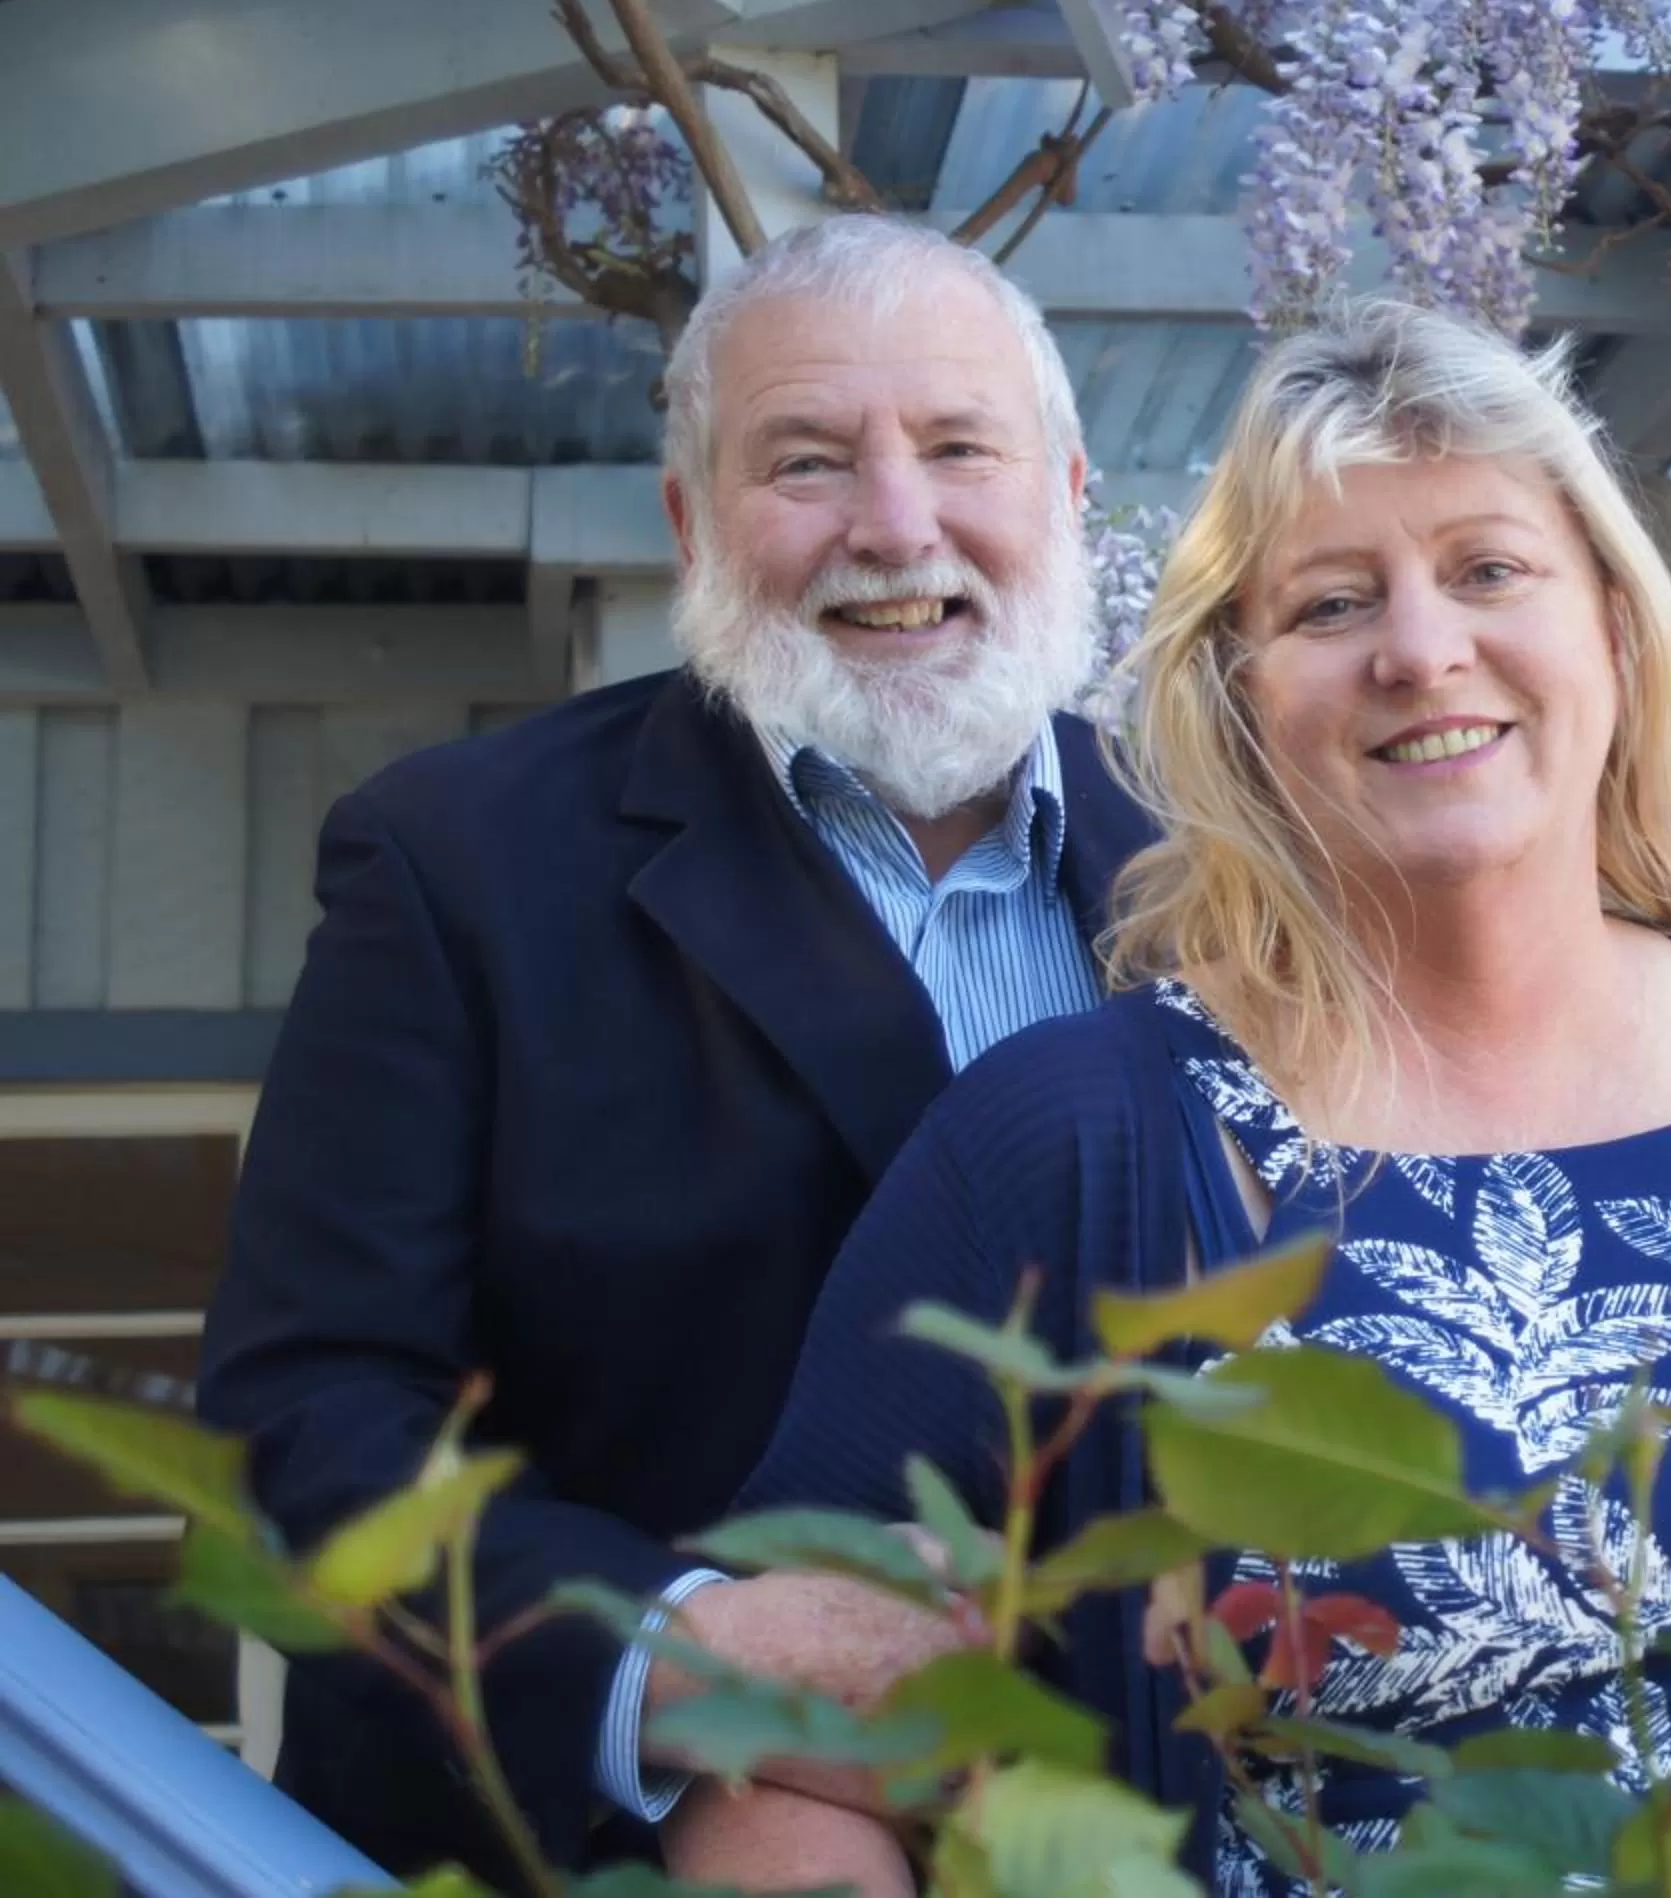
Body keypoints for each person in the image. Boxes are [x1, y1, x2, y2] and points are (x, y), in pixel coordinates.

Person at [666, 302, 1671, 1896]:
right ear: (1245, 701)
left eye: (1488, 570)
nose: (1422, 649)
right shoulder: (1069, 1137)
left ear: (1614, 633)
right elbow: (761, 1716)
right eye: (1335, 602)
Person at [196, 213, 1157, 1885]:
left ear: (1069, 492)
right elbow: (310, 1405)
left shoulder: (1239, 876)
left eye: (956, 447)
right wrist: (688, 1657)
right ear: (690, 520)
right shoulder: (461, 860)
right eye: (807, 461)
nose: (895, 522)